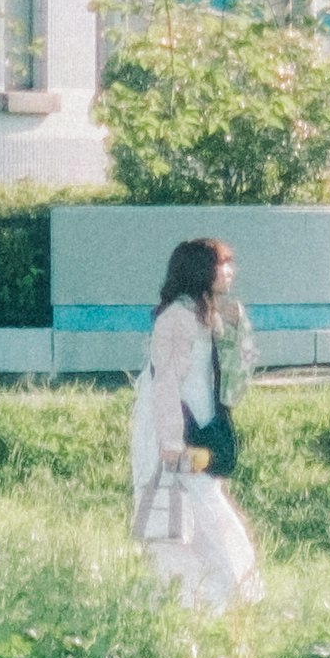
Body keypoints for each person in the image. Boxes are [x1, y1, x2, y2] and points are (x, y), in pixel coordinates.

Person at [130, 235, 266, 612]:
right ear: (199, 271)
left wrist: (237, 328)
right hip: (176, 437)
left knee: (201, 524)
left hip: (198, 434)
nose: (229, 272)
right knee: (188, 526)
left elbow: (235, 384)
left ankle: (206, 605)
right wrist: (172, 445)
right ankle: (212, 604)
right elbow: (165, 384)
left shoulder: (206, 317)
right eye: (221, 264)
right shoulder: (176, 319)